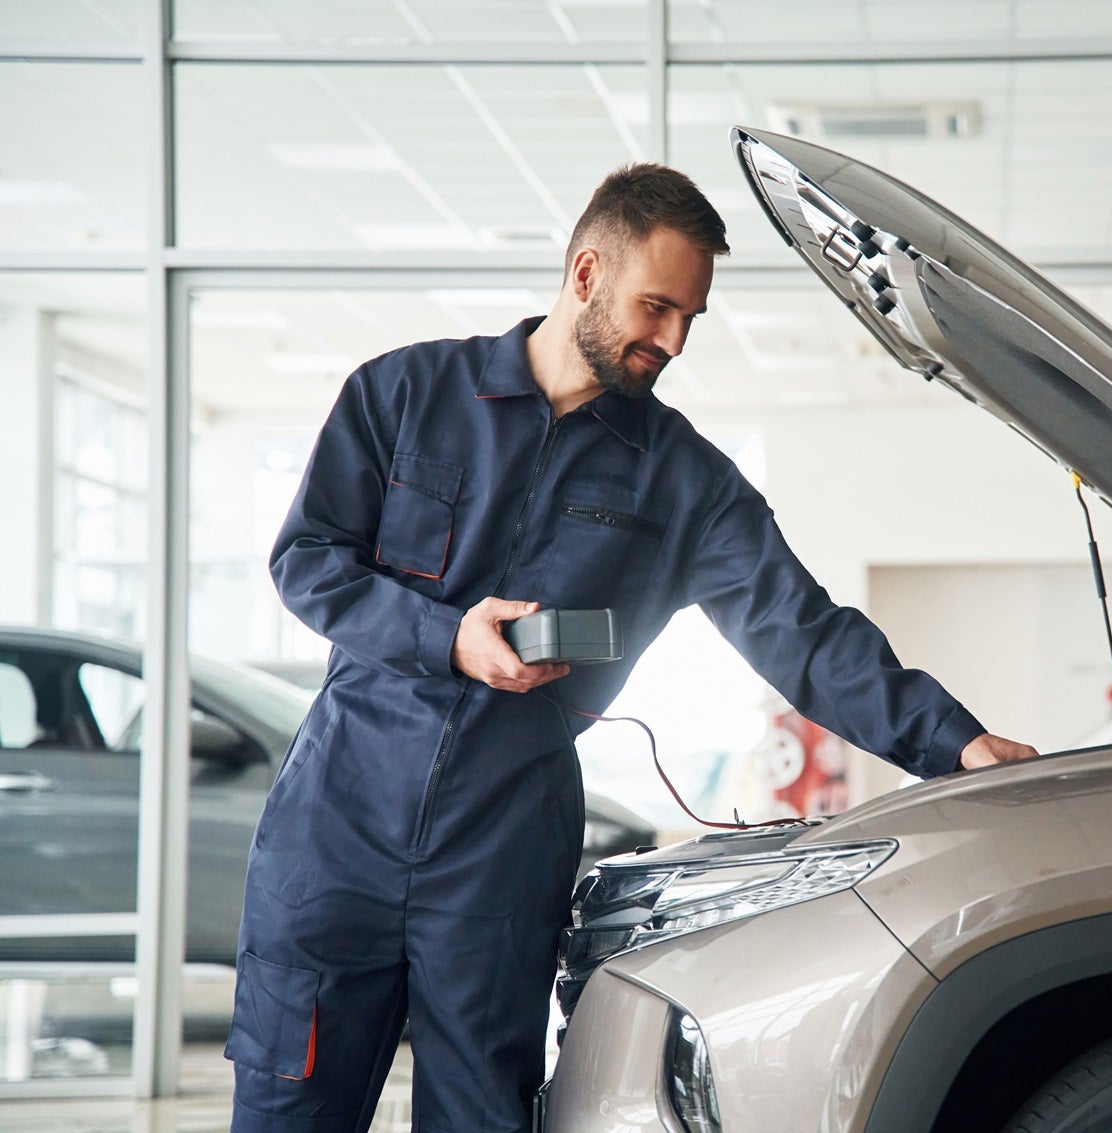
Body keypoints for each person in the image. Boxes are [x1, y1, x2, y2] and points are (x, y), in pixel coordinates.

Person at [225, 162, 1039, 1133]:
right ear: (583, 274)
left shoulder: (681, 479)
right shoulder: (403, 393)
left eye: (689, 317)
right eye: (655, 307)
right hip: (336, 828)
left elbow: (799, 628)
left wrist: (952, 743)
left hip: (499, 850)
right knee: (286, 1106)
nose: (671, 340)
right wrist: (447, 635)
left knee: (481, 1118)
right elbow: (308, 560)